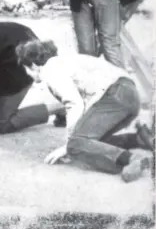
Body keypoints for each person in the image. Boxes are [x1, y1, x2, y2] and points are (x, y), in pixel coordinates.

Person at [17, 39, 154, 183]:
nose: (27, 74)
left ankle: (131, 159)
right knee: (91, 144)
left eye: (26, 69)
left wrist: (69, 145)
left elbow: (75, 104)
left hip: (116, 94)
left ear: (33, 65)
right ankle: (137, 139)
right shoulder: (62, 62)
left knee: (76, 144)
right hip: (129, 96)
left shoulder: (49, 71)